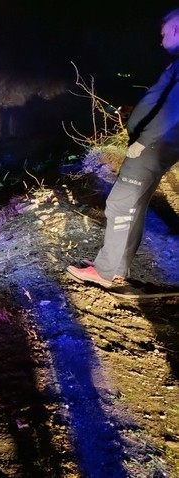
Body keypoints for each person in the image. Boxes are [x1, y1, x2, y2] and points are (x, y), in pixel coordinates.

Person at [67, 8, 179, 287]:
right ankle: (117, 267)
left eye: (164, 34)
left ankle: (106, 271)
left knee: (121, 203)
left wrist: (142, 141)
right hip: (159, 144)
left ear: (177, 29)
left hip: (153, 146)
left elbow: (174, 108)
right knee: (133, 204)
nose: (161, 40)